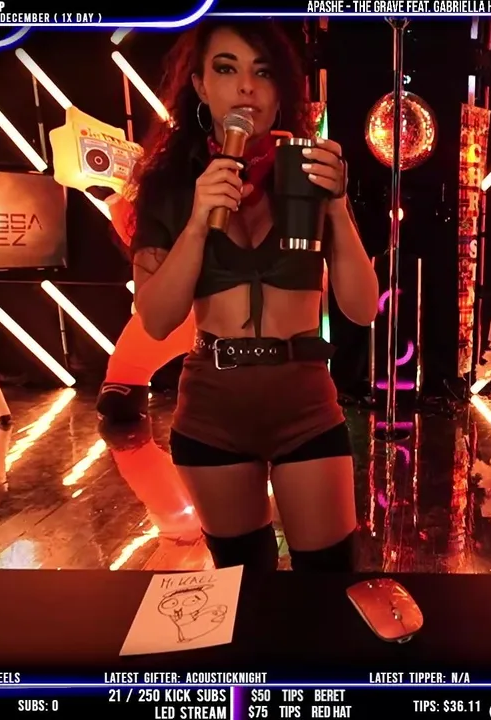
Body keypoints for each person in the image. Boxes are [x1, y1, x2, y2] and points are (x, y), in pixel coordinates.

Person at [129, 20, 379, 573]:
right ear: (199, 85)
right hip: (212, 409)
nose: (246, 86)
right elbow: (157, 318)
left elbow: (362, 308)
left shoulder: (309, 173)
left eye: (263, 72)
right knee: (242, 584)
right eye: (227, 69)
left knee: (328, 579)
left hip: (304, 402)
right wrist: (198, 222)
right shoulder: (168, 186)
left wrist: (337, 208)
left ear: (280, 90)